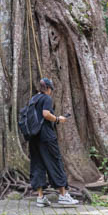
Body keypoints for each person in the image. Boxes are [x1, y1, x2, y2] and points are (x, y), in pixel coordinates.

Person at [29, 77, 79, 207]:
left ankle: (40, 197)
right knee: (55, 162)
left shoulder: (33, 99)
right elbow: (46, 114)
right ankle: (63, 195)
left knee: (38, 164)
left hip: (34, 136)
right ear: (48, 88)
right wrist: (57, 119)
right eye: (51, 89)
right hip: (46, 136)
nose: (51, 91)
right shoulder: (46, 98)